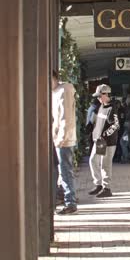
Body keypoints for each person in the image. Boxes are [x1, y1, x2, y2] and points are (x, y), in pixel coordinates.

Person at [51, 70, 78, 215]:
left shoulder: (63, 91)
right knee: (63, 171)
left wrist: (61, 138)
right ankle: (66, 199)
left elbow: (65, 118)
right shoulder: (56, 92)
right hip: (61, 139)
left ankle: (70, 203)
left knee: (65, 171)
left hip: (63, 140)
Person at [88, 84, 120, 198]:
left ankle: (107, 188)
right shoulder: (101, 106)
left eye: (99, 95)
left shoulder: (112, 108)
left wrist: (105, 135)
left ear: (106, 94)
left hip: (108, 142)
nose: (98, 98)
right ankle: (98, 184)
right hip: (99, 140)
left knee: (105, 165)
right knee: (93, 161)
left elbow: (115, 125)